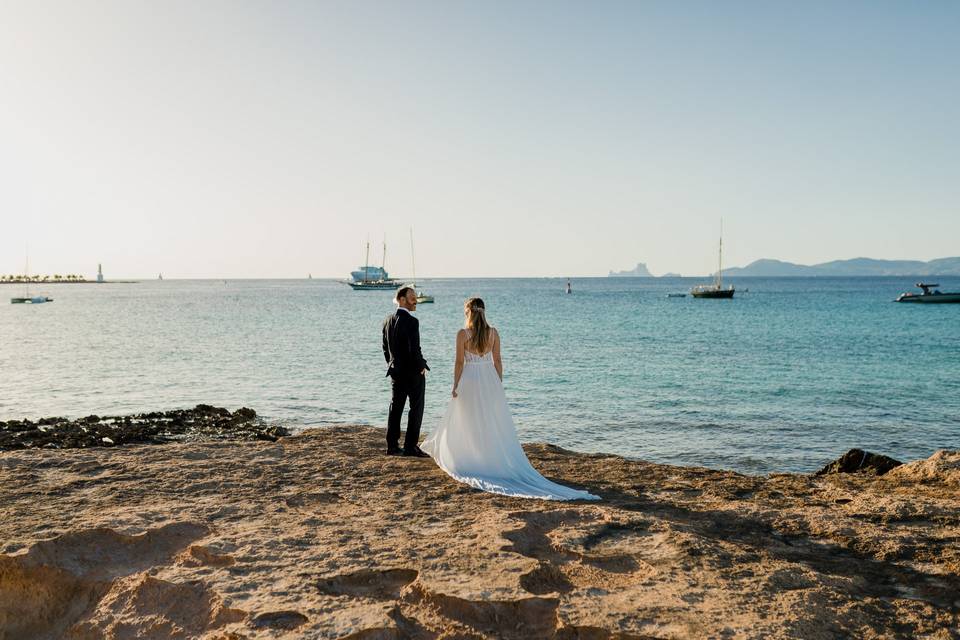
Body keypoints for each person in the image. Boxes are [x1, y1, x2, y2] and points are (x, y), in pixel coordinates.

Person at [420, 298, 599, 500]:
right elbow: (497, 360)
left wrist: (455, 384)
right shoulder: (493, 333)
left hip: (470, 379)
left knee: (468, 420)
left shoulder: (462, 334)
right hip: (489, 379)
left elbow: (459, 362)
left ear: (468, 312)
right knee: (489, 421)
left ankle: (472, 458)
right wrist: (498, 384)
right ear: (483, 312)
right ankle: (488, 458)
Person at [382, 287, 430, 457]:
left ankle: (392, 446)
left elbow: (385, 349)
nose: (415, 300)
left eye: (415, 297)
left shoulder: (387, 320)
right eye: (412, 298)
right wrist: (422, 366)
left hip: (396, 373)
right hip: (413, 373)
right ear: (401, 299)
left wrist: (392, 364)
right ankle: (410, 446)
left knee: (395, 408)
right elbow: (415, 349)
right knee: (416, 408)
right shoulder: (412, 321)